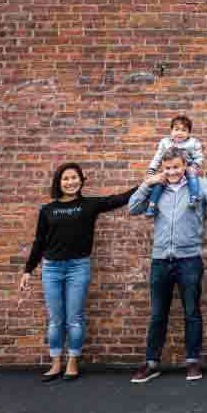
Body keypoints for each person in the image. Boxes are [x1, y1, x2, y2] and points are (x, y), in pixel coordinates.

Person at [127, 147, 207, 384]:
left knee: (192, 312)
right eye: (167, 168)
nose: (172, 172)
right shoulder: (157, 188)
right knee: (157, 315)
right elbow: (133, 207)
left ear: (184, 165)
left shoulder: (200, 185)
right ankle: (151, 362)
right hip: (161, 260)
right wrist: (148, 182)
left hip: (189, 260)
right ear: (162, 168)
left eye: (176, 167)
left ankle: (193, 361)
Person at [19, 163, 137, 381]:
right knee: (55, 319)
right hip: (52, 269)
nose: (70, 182)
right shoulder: (47, 210)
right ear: (59, 182)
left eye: (74, 178)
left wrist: (147, 183)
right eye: (65, 179)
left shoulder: (90, 205)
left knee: (74, 318)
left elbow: (120, 198)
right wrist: (28, 269)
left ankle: (72, 361)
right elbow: (39, 242)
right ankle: (55, 363)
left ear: (81, 180)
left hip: (78, 267)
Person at [144, 115, 204, 217]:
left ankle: (194, 198)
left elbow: (199, 157)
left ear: (189, 133)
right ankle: (152, 205)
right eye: (176, 129)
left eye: (184, 130)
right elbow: (157, 158)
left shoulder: (192, 143)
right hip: (169, 169)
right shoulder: (165, 143)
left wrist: (194, 166)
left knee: (193, 177)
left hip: (186, 168)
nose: (179, 133)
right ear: (171, 131)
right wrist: (151, 170)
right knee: (159, 183)